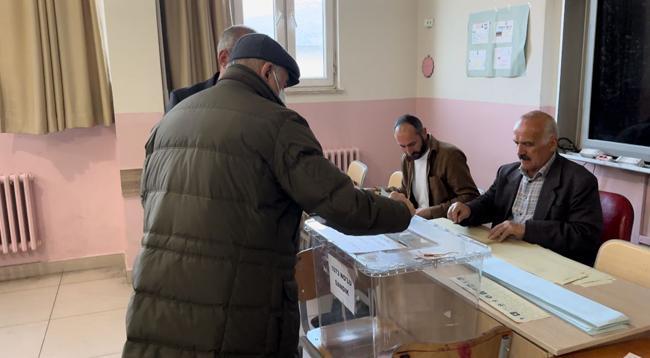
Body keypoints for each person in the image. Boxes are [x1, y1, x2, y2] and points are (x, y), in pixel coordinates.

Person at [123, 33, 415, 357]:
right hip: (236, 313)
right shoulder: (277, 123)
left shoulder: (171, 119)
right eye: (283, 83)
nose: (282, 94)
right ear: (266, 72)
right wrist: (400, 210)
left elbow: (149, 200)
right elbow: (343, 205)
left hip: (157, 304)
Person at [447, 110, 603, 266]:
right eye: (516, 143)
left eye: (528, 144)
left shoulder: (580, 181)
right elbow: (489, 203)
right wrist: (468, 210)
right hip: (503, 256)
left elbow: (584, 236)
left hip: (546, 264)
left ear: (552, 144)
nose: (519, 152)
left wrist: (526, 230)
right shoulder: (507, 172)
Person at [393, 114, 479, 219]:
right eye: (402, 146)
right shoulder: (406, 159)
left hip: (447, 223)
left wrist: (431, 212)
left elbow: (471, 196)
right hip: (419, 220)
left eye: (412, 144)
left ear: (424, 133)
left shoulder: (450, 155)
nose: (408, 151)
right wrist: (380, 192)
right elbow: (406, 189)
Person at [165, 25, 255, 112]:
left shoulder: (260, 99)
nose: (255, 68)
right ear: (224, 59)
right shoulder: (182, 99)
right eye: (249, 59)